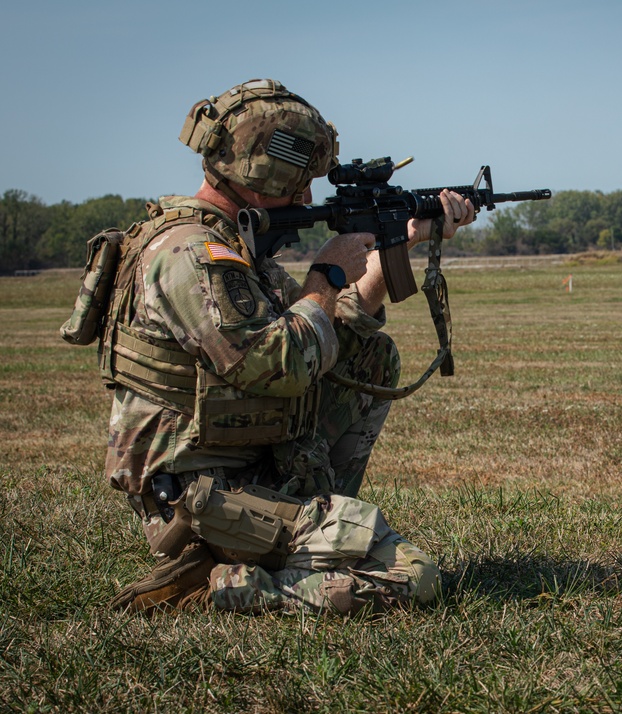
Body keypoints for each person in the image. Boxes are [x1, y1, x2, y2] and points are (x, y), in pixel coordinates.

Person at [97, 78, 474, 616]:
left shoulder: (234, 247)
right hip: (203, 495)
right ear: (263, 172)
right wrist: (325, 272)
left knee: (370, 354)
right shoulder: (193, 255)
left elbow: (325, 339)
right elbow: (280, 365)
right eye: (300, 182)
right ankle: (219, 589)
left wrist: (401, 240)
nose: (307, 198)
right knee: (414, 579)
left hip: (240, 462)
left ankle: (301, 532)